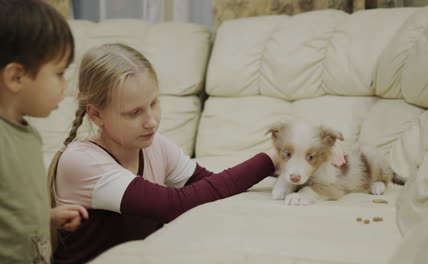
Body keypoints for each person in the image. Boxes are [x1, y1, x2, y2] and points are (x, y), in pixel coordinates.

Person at [50, 43, 347, 263]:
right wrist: (273, 156)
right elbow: (174, 204)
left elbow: (213, 186)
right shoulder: (81, 161)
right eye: (134, 112)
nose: (151, 120)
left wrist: (300, 155)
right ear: (97, 115)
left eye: (154, 103)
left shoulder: (153, 144)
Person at [0, 0, 88, 263]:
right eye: (59, 73)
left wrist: (45, 216)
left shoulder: (27, 133)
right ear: (16, 77)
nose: (65, 85)